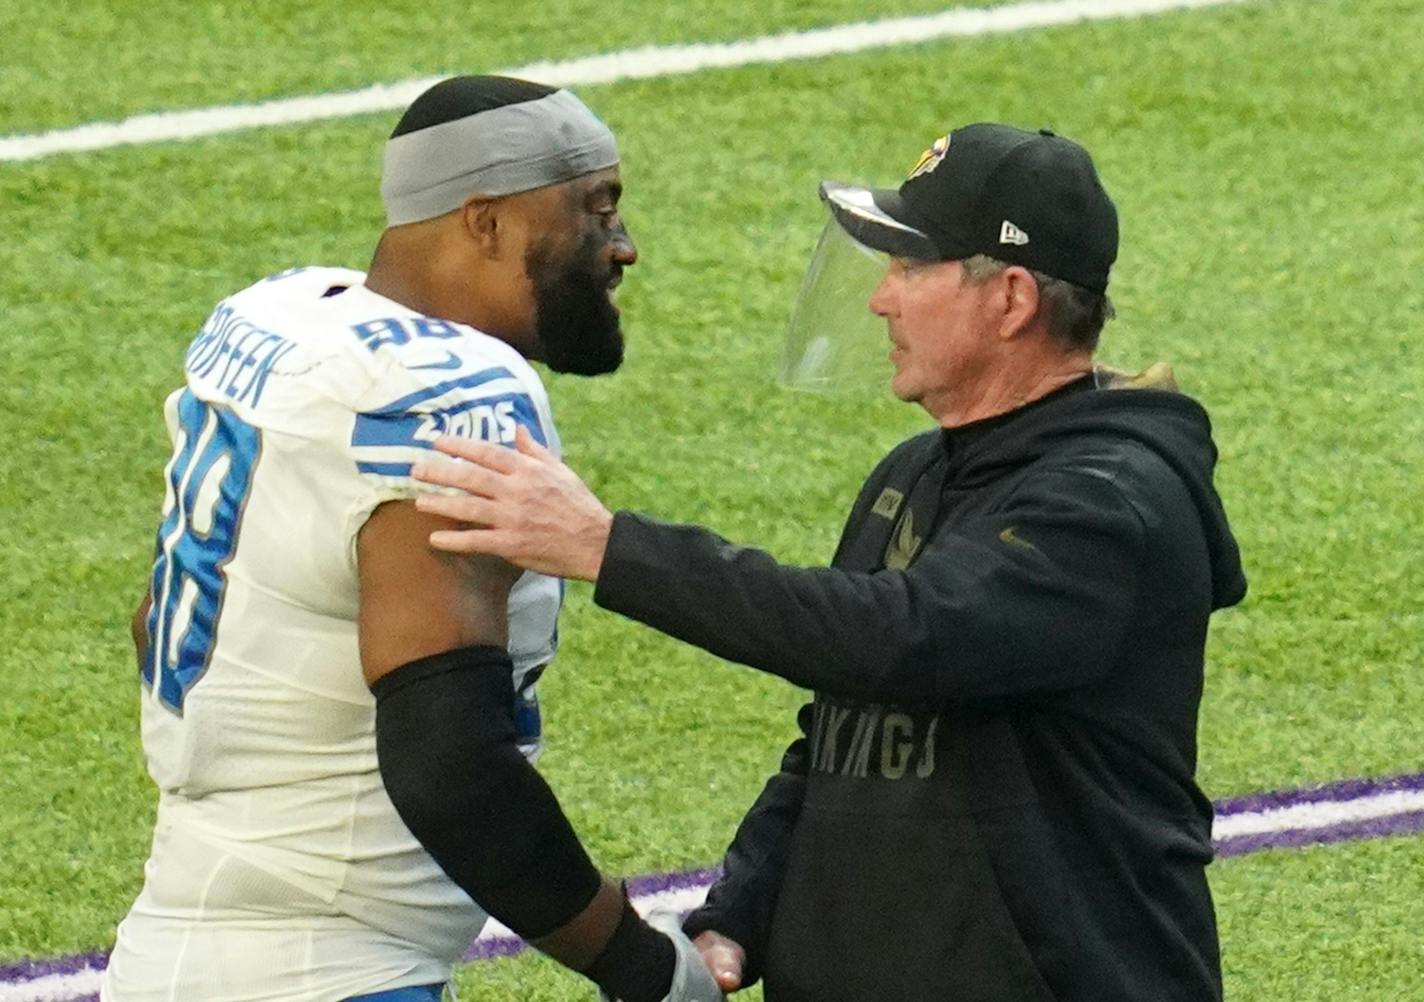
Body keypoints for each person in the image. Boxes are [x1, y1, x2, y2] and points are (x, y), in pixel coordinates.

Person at [410, 123, 1248, 1001]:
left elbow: (904, 639)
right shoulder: (914, 475)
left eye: (909, 268)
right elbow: (843, 731)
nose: (881, 301)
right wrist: (742, 910)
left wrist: (609, 547)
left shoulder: (1110, 503)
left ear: (1009, 300)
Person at [103, 75, 722, 1002]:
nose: (621, 247)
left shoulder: (277, 317)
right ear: (486, 222)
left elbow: (160, 618)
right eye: (595, 212)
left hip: (173, 941)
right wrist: (641, 964)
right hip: (329, 969)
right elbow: (450, 766)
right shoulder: (448, 390)